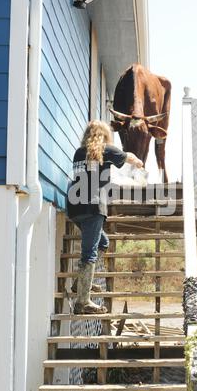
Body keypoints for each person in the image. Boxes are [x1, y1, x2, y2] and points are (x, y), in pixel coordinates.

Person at [67, 120, 143, 314]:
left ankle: (80, 284)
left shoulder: (78, 152)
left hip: (75, 208)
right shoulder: (106, 150)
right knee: (89, 253)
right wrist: (140, 163)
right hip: (93, 208)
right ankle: (82, 302)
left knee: (102, 242)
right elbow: (131, 157)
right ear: (104, 135)